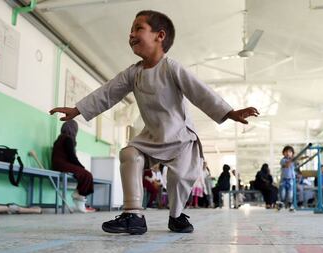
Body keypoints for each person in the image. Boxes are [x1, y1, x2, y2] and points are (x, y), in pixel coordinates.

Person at [50, 10, 259, 234]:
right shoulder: (133, 73)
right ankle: (134, 215)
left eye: (138, 28)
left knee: (179, 178)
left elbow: (200, 92)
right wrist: (78, 109)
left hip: (180, 138)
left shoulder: (172, 67)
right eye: (131, 29)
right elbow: (107, 92)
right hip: (151, 137)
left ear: (160, 36)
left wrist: (229, 112)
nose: (131, 34)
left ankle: (177, 216)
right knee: (129, 153)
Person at [51, 120, 94, 213]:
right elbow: (72, 157)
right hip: (61, 164)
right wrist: (81, 167)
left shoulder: (59, 138)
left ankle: (78, 194)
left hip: (58, 164)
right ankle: (78, 194)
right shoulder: (67, 139)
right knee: (87, 175)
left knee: (85, 174)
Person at [277, 145, 296, 211]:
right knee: (282, 193)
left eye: (290, 152)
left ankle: (290, 205)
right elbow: (287, 165)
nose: (288, 153)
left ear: (292, 153)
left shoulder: (293, 161)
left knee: (290, 194)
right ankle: (280, 204)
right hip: (283, 179)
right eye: (286, 152)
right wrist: (292, 160)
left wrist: (305, 158)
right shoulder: (283, 160)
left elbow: (298, 160)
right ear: (283, 153)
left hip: (291, 179)